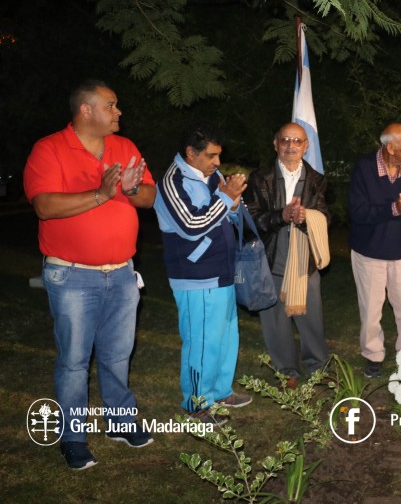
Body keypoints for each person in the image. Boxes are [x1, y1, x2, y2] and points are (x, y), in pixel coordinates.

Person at [24, 79, 156, 469]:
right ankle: (73, 436)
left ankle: (120, 420)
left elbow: (150, 196)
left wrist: (129, 190)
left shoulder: (124, 147)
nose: (119, 112)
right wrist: (102, 193)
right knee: (74, 361)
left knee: (117, 355)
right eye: (110, 105)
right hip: (73, 276)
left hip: (122, 274)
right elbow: (44, 206)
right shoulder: (49, 149)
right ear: (86, 110)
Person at [154, 126, 252, 420]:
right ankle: (197, 404)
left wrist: (233, 203)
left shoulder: (212, 176)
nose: (217, 162)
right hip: (196, 276)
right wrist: (225, 199)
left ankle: (220, 391)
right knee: (201, 343)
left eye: (219, 155)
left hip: (221, 270)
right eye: (211, 155)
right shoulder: (172, 182)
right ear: (190, 153)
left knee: (224, 338)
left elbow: (225, 215)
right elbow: (191, 226)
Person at [244, 123, 330, 388]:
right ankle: (287, 371)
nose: (291, 146)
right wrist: (281, 216)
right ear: (276, 144)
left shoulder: (316, 179)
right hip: (271, 256)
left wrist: (306, 218)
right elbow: (251, 219)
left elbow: (325, 216)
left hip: (305, 260)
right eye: (285, 140)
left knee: (312, 318)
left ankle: (317, 367)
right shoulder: (260, 178)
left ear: (306, 146)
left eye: (297, 141)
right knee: (275, 320)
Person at [349, 123, 401, 377]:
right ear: (391, 147)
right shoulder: (364, 168)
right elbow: (358, 212)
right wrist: (394, 209)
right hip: (369, 251)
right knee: (371, 309)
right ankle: (373, 354)